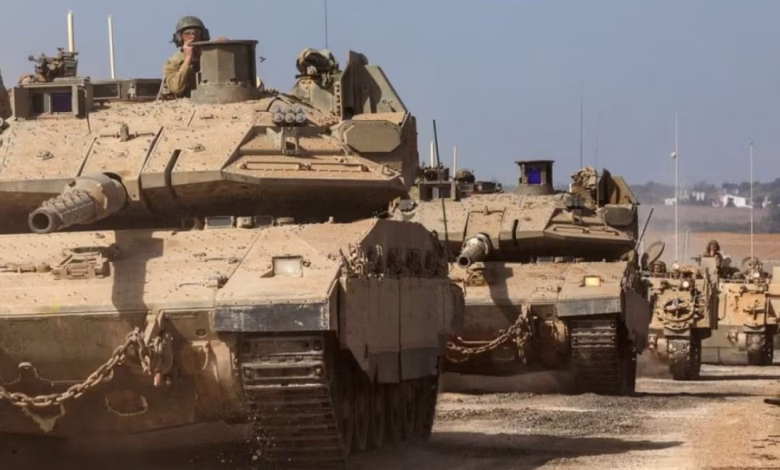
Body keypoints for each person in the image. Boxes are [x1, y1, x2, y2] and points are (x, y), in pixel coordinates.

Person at [162, 16, 226, 98]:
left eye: (197, 33)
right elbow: (176, 88)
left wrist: (222, 52)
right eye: (187, 33)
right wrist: (187, 59)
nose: (193, 36)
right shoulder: (172, 63)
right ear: (180, 37)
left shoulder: (209, 57)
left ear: (203, 35)